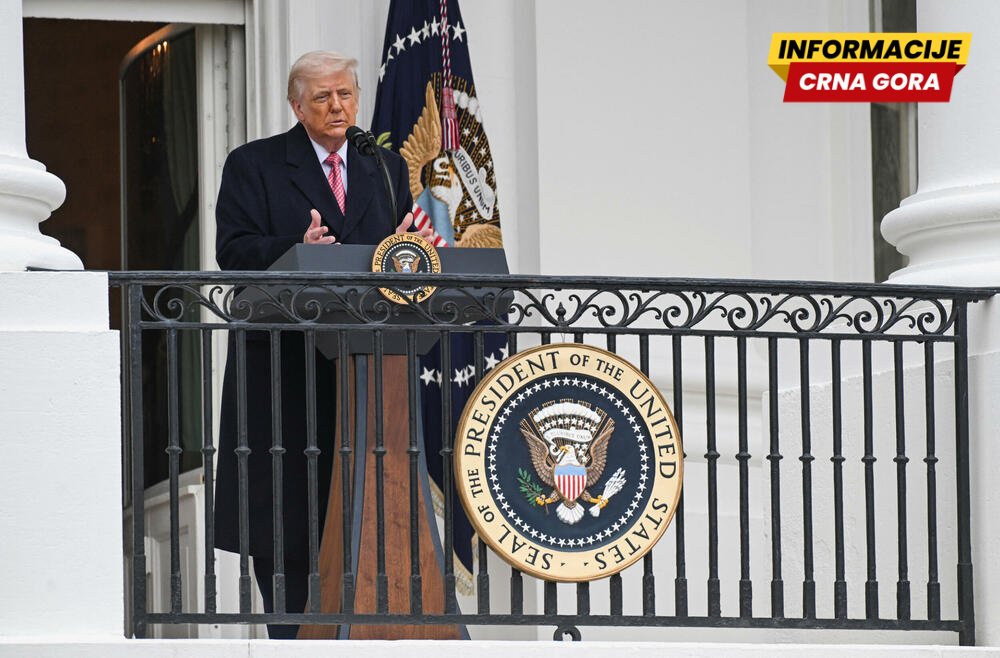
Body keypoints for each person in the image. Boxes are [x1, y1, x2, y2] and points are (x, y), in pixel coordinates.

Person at [213, 50, 428, 639]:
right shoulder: (254, 164)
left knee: (362, 515)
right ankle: (291, 637)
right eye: (323, 97)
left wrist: (409, 244)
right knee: (287, 520)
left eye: (346, 94)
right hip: (282, 371)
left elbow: (392, 256)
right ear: (297, 106)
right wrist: (296, 246)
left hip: (364, 375)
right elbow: (232, 250)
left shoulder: (383, 165)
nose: (338, 107)